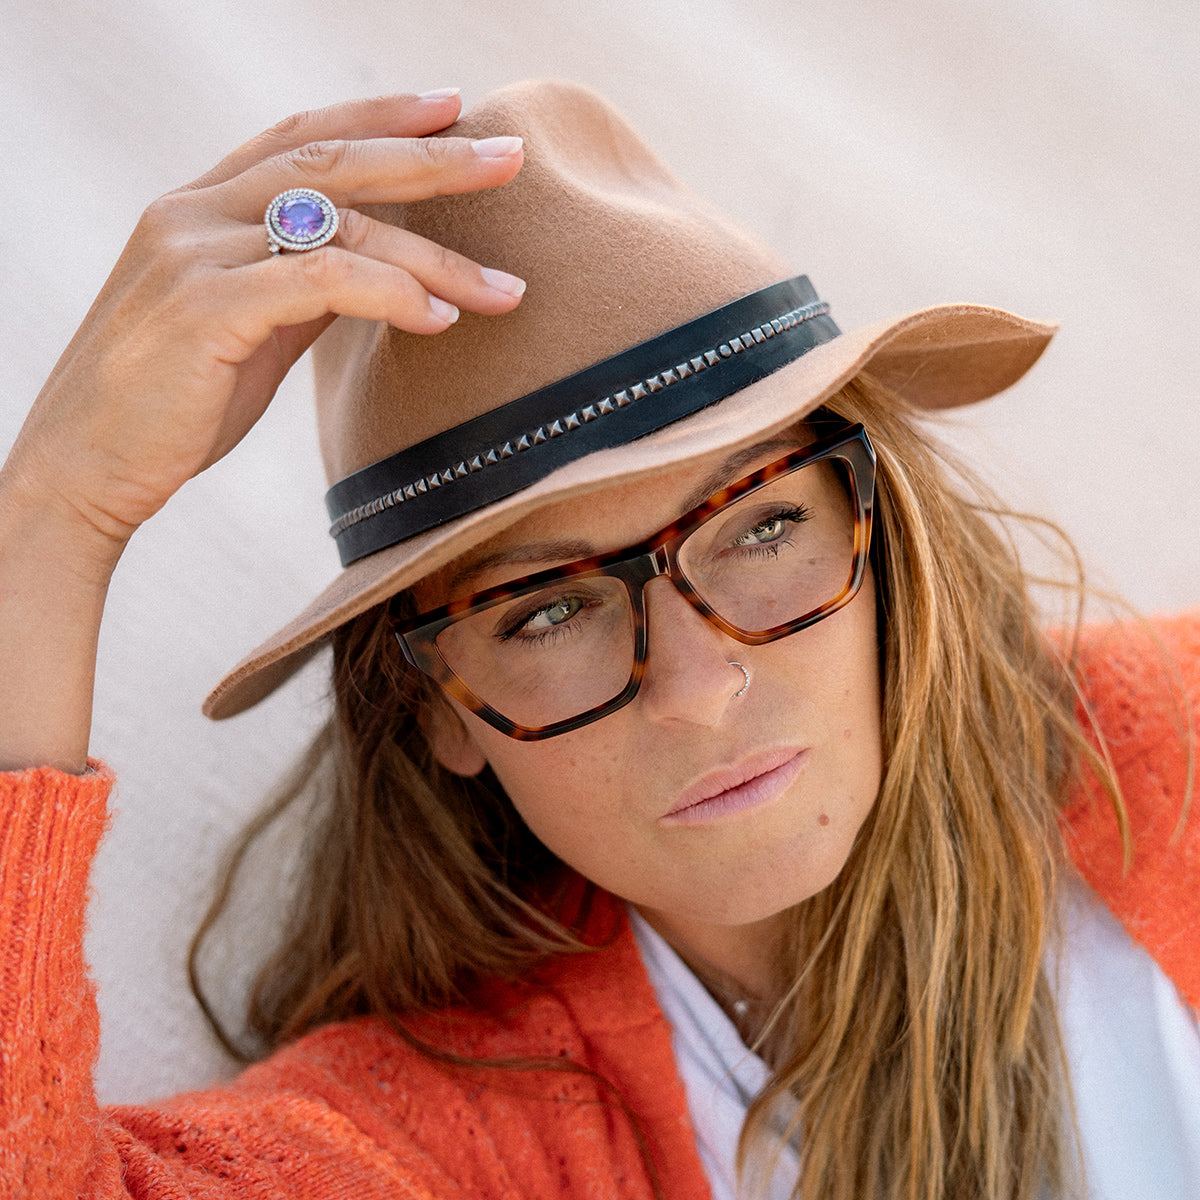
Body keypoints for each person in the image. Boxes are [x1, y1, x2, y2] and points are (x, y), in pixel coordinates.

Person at [1, 78, 1197, 1200]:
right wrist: (56, 513)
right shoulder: (457, 1134)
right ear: (438, 709)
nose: (701, 683)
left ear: (881, 529)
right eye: (549, 610)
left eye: (763, 524)